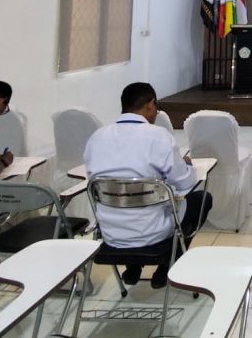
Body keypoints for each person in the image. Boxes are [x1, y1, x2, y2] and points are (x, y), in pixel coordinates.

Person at [84, 82, 212, 289]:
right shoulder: (158, 136)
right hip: (153, 231)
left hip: (111, 233)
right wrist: (185, 166)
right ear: (151, 105)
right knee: (202, 199)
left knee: (130, 206)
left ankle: (134, 265)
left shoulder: (97, 138)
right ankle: (169, 263)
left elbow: (94, 180)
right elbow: (185, 183)